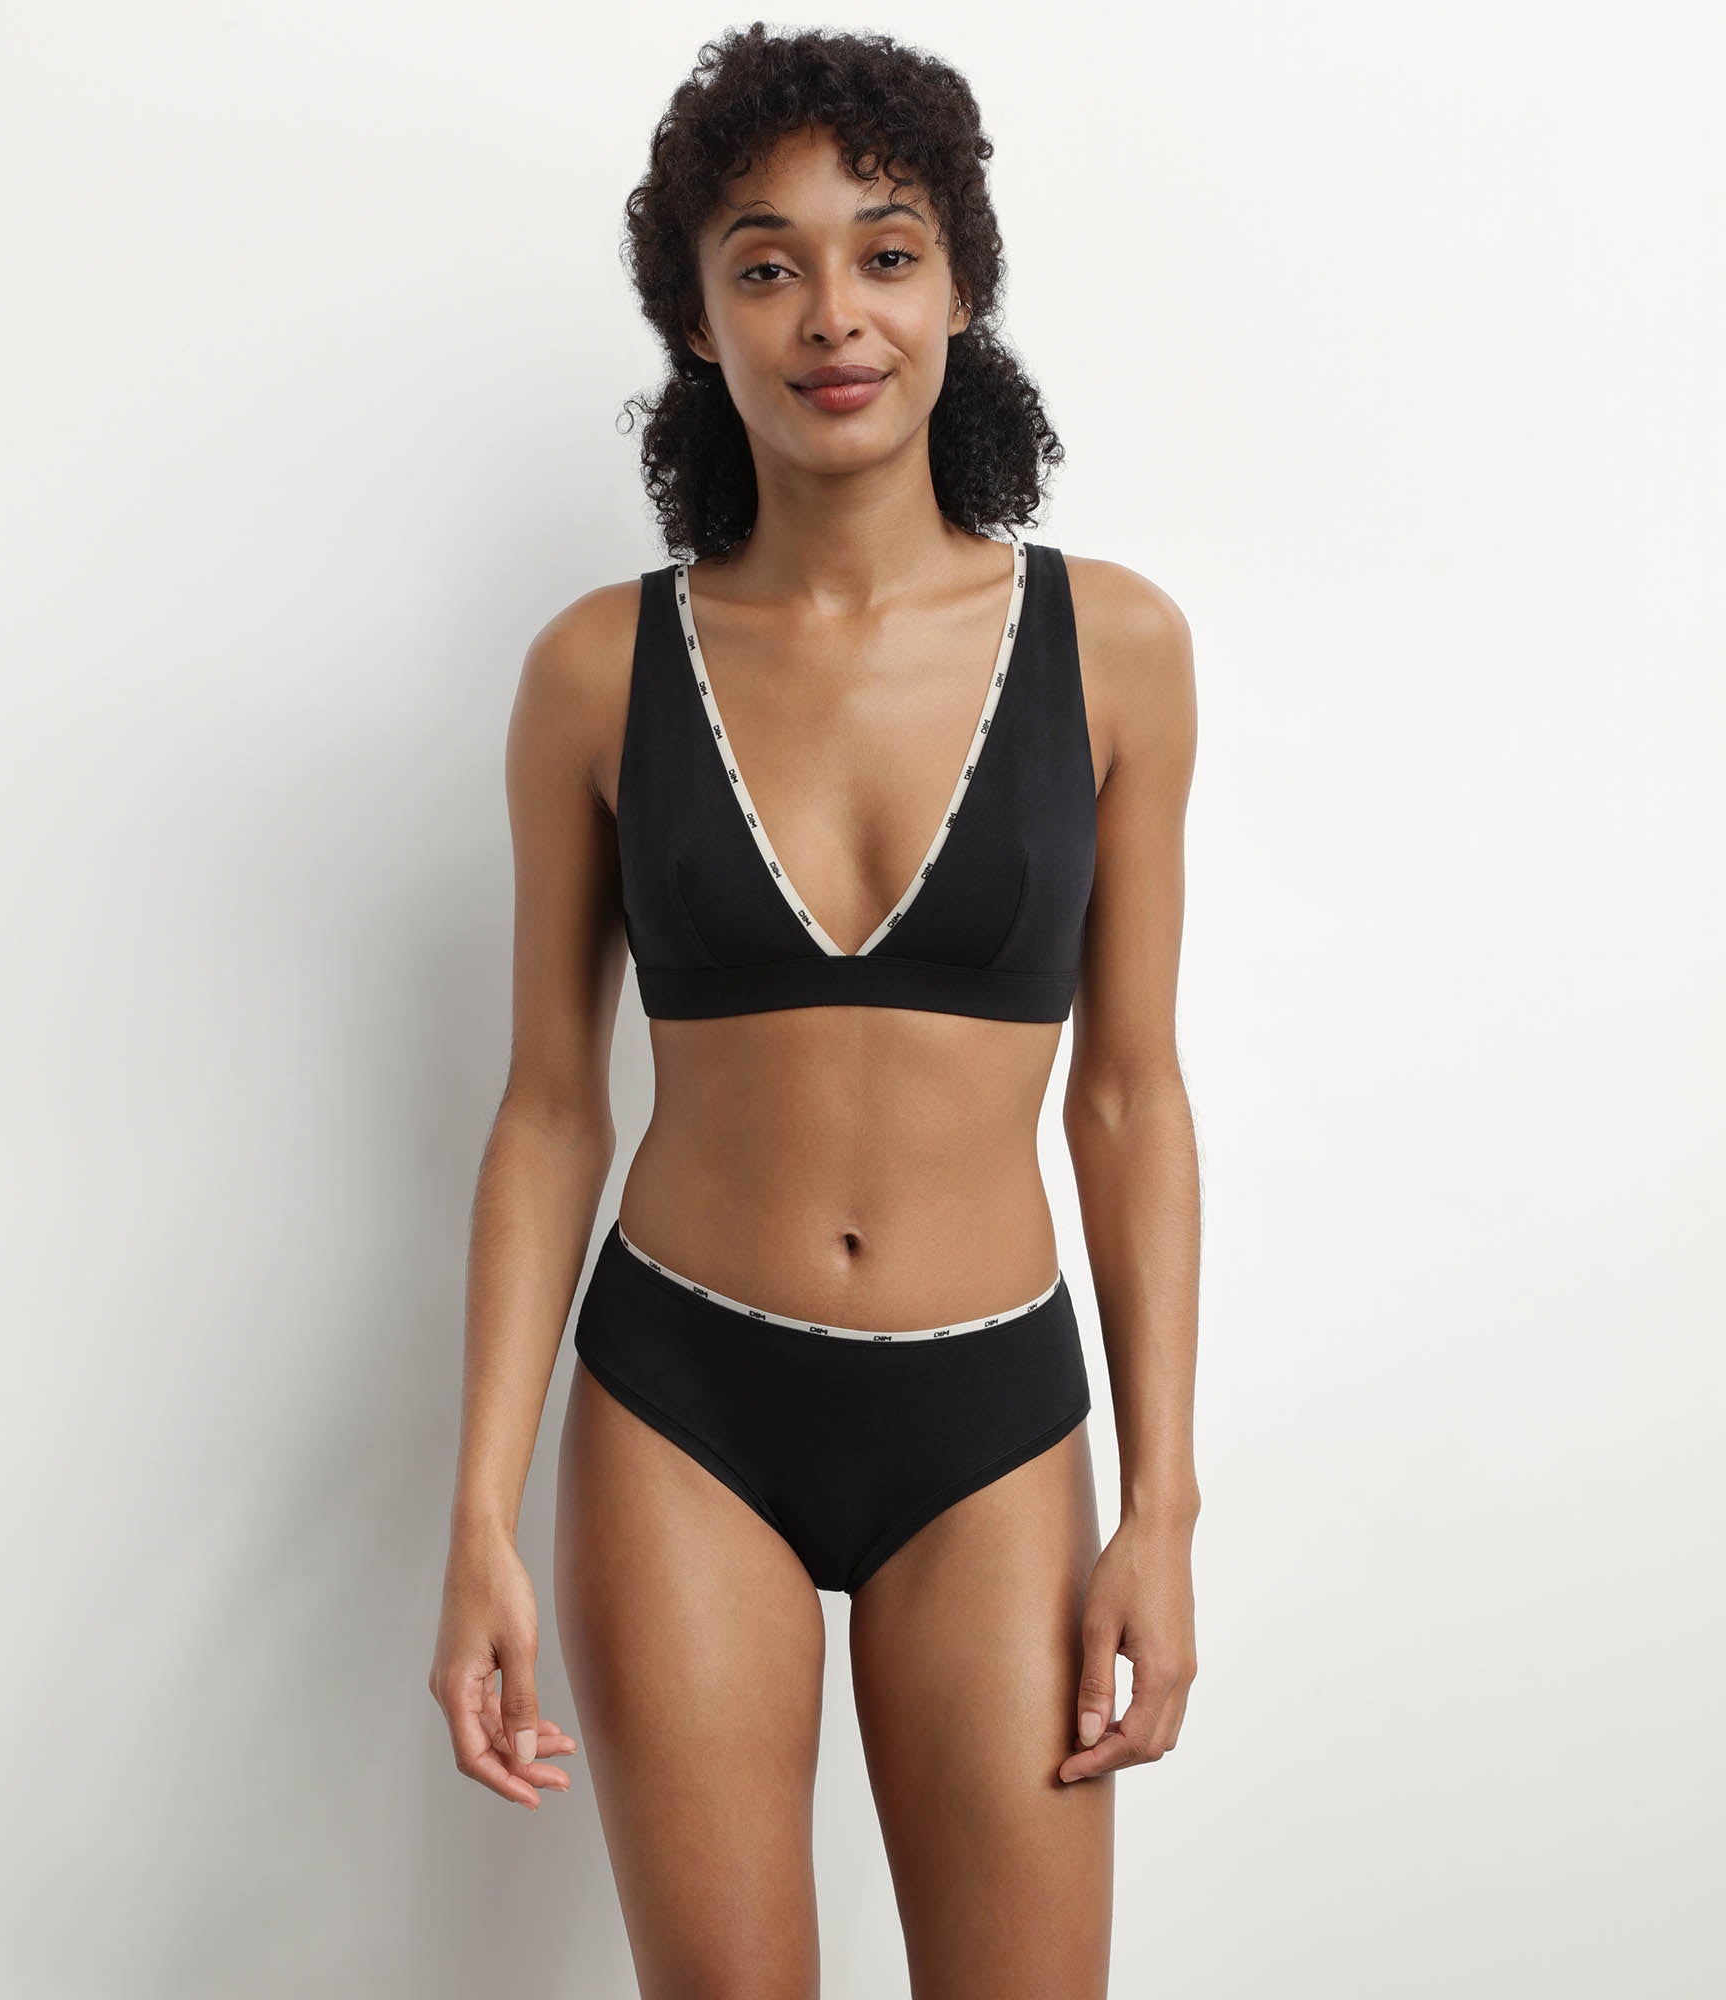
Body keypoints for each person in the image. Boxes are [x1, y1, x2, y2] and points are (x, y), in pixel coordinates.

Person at [428, 23, 1200, 1996]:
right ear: (697, 322)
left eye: (887, 251)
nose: (833, 312)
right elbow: (548, 1108)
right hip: (684, 1404)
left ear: (961, 289)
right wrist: (480, 1516)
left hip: (992, 1419)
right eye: (766, 264)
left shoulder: (1112, 647)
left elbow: (1128, 1098)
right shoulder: (597, 673)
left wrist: (1163, 1505)